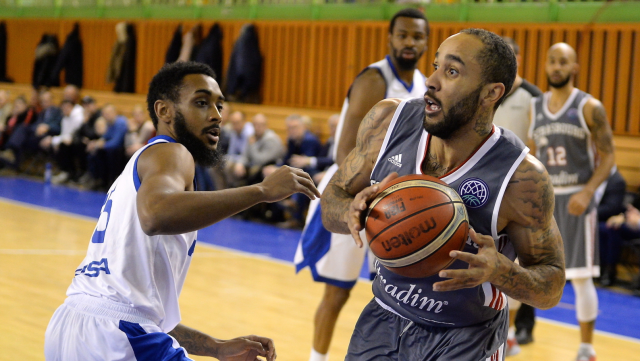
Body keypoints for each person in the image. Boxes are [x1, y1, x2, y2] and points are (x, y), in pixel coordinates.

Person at [44, 61, 320, 361]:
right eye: (201, 103)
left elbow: (142, 313)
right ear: (164, 111)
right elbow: (155, 215)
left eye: (219, 105)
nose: (216, 115)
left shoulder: (144, 162)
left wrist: (215, 347)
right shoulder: (172, 152)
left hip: (72, 325)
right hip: (117, 337)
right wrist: (261, 191)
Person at [321, 29, 565, 360]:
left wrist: (502, 272)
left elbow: (551, 286)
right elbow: (332, 199)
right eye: (435, 66)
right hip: (382, 318)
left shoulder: (521, 178)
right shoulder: (388, 121)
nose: (431, 81)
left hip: (465, 338)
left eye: (451, 71)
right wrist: (351, 212)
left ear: (491, 93)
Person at [293, 8, 429, 361]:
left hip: (390, 203)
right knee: (337, 294)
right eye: (403, 35)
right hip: (352, 195)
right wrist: (361, 196)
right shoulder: (374, 79)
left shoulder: (423, 85)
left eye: (417, 36)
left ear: (427, 42)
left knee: (393, 294)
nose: (410, 42)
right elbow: (344, 150)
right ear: (391, 38)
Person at [529, 42, 615, 361]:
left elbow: (608, 157)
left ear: (574, 67)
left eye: (563, 62)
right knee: (527, 269)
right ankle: (508, 336)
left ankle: (586, 348)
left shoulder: (589, 106)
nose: (556, 67)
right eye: (552, 61)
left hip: (577, 200)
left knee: (579, 277)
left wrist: (588, 191)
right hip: (545, 203)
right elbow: (532, 155)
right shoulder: (535, 107)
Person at [494, 36, 544, 355]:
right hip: (492, 187)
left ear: (519, 59)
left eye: (512, 56)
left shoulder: (533, 97)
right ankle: (503, 329)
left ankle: (522, 326)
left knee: (526, 261)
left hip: (521, 188)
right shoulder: (490, 91)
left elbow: (539, 143)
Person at [596, 168, 627, 287]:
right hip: (622, 218)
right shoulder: (593, 177)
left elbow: (612, 207)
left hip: (607, 217)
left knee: (608, 228)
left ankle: (608, 270)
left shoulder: (616, 180)